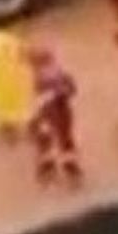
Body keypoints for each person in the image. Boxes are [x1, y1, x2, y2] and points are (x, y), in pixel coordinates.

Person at [27, 44, 82, 187]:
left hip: (49, 114)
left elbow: (41, 101)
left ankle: (48, 168)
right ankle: (71, 168)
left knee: (44, 141)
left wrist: (34, 120)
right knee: (65, 139)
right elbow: (72, 89)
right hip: (64, 113)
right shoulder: (61, 72)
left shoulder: (40, 77)